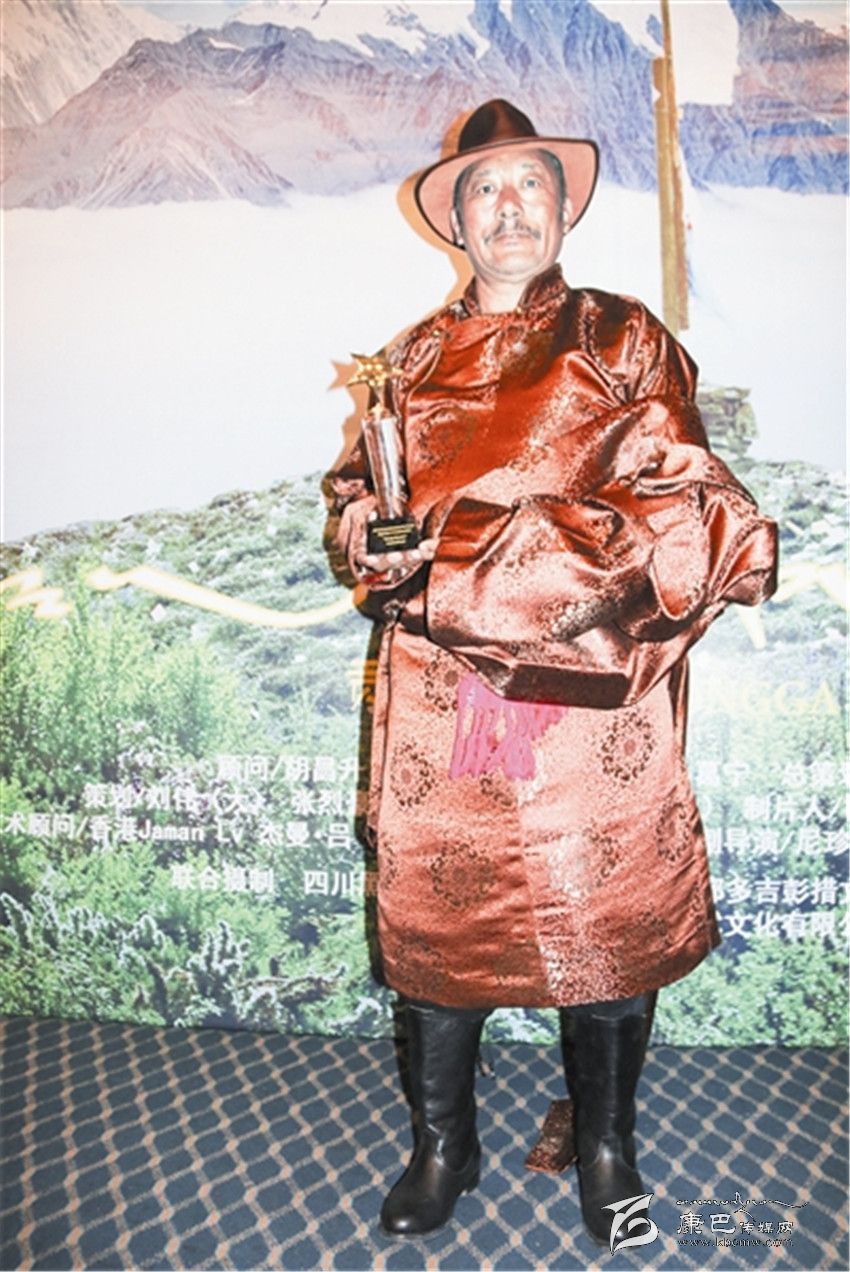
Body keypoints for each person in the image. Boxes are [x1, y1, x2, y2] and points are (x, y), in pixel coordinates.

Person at [331, 99, 777, 1245]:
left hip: (588, 693)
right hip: (441, 698)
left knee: (608, 926)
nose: (508, 206)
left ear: (563, 206)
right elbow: (361, 501)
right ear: (454, 220)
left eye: (529, 182)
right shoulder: (409, 363)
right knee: (439, 930)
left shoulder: (620, 340)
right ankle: (445, 1145)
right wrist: (366, 541)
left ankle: (608, 1146)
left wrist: (474, 562)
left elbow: (683, 508)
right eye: (483, 188)